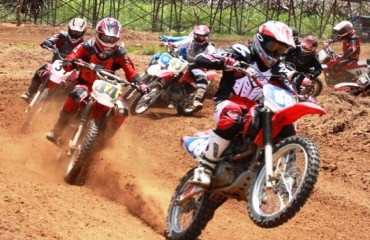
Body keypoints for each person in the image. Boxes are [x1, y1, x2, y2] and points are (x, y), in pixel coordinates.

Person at [190, 20, 296, 187]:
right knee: (233, 115)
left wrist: (302, 97)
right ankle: (205, 167)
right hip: (228, 103)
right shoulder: (241, 52)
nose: (276, 52)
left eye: (281, 49)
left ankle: (288, 174)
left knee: (286, 126)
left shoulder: (278, 69)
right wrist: (225, 62)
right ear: (261, 40)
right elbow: (202, 58)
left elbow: (290, 89)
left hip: (256, 109)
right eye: (273, 46)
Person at [46, 17, 148, 145]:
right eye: (105, 37)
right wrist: (72, 63)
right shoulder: (86, 46)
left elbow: (130, 71)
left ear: (118, 38)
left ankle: (104, 139)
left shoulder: (119, 52)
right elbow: (70, 59)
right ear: (99, 34)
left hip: (108, 87)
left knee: (123, 110)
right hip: (86, 84)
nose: (109, 41)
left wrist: (141, 83)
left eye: (112, 38)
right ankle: (57, 130)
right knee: (75, 96)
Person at [20, 17, 87, 101]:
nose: (75, 34)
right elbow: (49, 40)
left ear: (83, 32)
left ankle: (61, 104)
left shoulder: (84, 44)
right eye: (73, 31)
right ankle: (29, 93)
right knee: (40, 72)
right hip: (56, 63)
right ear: (69, 29)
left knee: (74, 86)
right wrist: (48, 43)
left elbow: (88, 56)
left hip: (71, 69)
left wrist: (83, 62)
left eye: (77, 33)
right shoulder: (62, 35)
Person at [166, 25, 216, 111]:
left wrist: (209, 61)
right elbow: (179, 44)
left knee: (202, 80)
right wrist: (171, 44)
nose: (198, 38)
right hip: (186, 64)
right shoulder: (190, 41)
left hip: (199, 67)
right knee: (169, 69)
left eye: (201, 36)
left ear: (206, 37)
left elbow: (213, 57)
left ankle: (196, 101)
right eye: (197, 35)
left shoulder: (209, 47)